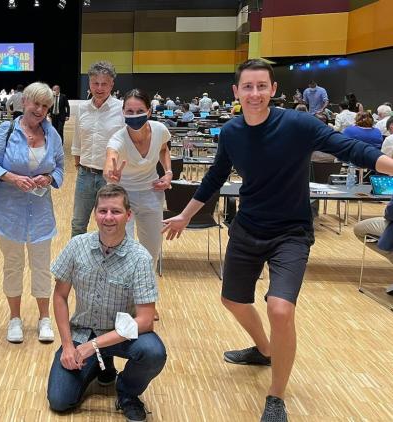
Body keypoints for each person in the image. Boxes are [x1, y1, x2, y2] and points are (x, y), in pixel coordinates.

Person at [161, 59, 393, 422]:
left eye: (261, 87)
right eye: (247, 87)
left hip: (291, 233)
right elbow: (214, 178)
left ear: (272, 91)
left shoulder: (298, 124)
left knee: (280, 309)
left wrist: (389, 165)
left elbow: (349, 149)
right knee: (232, 300)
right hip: (248, 228)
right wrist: (185, 214)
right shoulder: (233, 132)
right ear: (236, 93)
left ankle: (276, 396)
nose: (255, 94)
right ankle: (265, 349)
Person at [47, 184, 166, 422]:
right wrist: (69, 346)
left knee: (153, 352)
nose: (108, 217)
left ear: (128, 215)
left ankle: (127, 393)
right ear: (95, 214)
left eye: (116, 211)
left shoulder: (140, 258)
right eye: (103, 211)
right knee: (60, 401)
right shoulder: (77, 245)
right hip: (83, 332)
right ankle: (101, 366)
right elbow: (59, 296)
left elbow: (144, 320)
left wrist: (92, 347)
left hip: (123, 336)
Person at [0, 82, 65, 344]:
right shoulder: (6, 131)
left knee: (42, 267)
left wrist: (49, 178)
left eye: (45, 105)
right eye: (35, 104)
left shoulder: (53, 135)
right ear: (24, 102)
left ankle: (44, 318)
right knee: (13, 265)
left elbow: (61, 168)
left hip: (40, 213)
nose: (39, 110)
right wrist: (12, 178)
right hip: (8, 213)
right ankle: (15, 318)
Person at [104, 88, 172, 272]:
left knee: (151, 251)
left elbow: (164, 149)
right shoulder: (118, 138)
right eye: (130, 112)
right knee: (122, 250)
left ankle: (144, 293)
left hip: (152, 194)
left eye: (140, 111)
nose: (135, 116)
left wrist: (168, 172)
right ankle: (122, 294)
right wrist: (110, 173)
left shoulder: (159, 130)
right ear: (123, 112)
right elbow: (110, 158)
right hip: (122, 198)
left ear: (149, 111)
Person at [71, 61, 125, 236]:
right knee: (78, 223)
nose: (99, 88)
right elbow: (78, 138)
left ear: (112, 84)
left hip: (110, 178)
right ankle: (76, 262)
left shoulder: (122, 109)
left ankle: (110, 261)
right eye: (95, 83)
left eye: (104, 84)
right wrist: (78, 163)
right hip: (85, 175)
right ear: (89, 83)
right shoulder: (82, 108)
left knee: (111, 224)